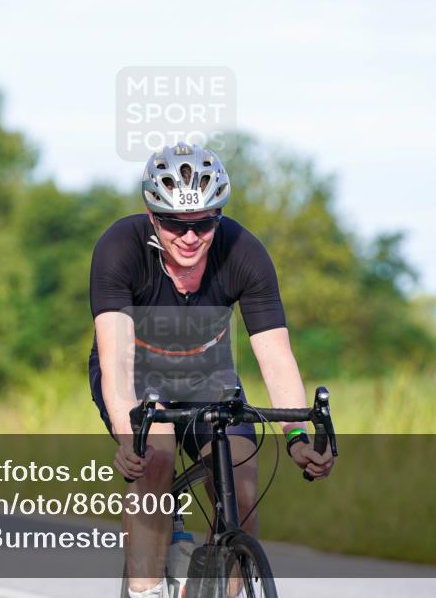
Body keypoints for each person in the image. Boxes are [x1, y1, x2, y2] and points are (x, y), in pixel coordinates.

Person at [88, 143, 334, 598]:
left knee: (241, 491)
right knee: (155, 459)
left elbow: (276, 357)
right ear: (150, 215)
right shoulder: (118, 249)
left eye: (202, 223)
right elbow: (117, 367)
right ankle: (146, 591)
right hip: (137, 373)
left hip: (208, 375)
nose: (188, 236)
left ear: (219, 215)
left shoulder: (244, 253)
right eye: (174, 224)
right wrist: (130, 438)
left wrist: (297, 436)